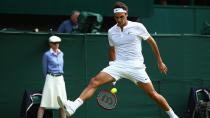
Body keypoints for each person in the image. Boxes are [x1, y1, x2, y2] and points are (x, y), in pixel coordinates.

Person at [57, 1, 179, 118]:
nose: (119, 20)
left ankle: (173, 116)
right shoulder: (111, 31)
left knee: (153, 94)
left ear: (126, 14)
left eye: (121, 17)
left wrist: (159, 61)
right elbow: (112, 50)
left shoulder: (138, 27)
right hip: (118, 66)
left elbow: (152, 42)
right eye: (116, 17)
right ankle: (73, 106)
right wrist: (112, 68)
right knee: (94, 81)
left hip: (136, 67)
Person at [37, 36, 67, 118]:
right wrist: (49, 78)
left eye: (58, 43)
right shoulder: (46, 55)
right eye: (54, 43)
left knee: (62, 103)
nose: (56, 44)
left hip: (60, 79)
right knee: (44, 103)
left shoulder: (61, 54)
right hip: (50, 79)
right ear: (50, 44)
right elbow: (44, 70)